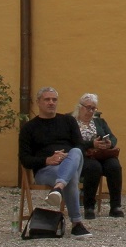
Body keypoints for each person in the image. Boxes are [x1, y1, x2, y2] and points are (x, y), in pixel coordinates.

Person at [18, 87, 93, 237]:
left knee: (76, 151)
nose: (51, 103)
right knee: (70, 178)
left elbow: (80, 146)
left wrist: (64, 156)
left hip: (70, 163)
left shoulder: (68, 121)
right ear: (38, 102)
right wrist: (47, 160)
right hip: (45, 171)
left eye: (54, 99)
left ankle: (58, 188)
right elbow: (25, 159)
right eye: (47, 99)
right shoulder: (29, 128)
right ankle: (77, 224)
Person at [74, 93, 124, 218]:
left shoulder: (99, 122)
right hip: (84, 156)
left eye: (93, 108)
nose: (90, 111)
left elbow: (112, 137)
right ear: (80, 107)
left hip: (102, 154)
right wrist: (92, 144)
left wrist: (109, 143)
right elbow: (72, 142)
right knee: (94, 168)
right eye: (88, 107)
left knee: (114, 166)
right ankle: (89, 207)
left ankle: (115, 206)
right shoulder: (72, 122)